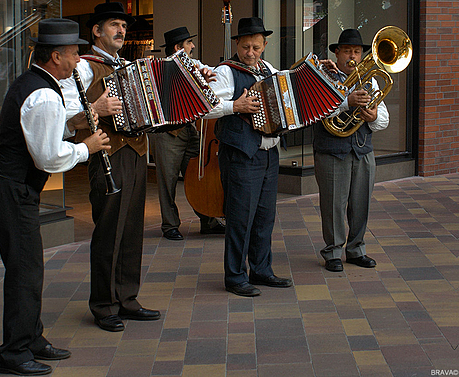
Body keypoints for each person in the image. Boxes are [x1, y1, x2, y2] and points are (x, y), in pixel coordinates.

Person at [0, 18, 110, 375]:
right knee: (25, 272)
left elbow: (46, 130)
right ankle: (14, 353)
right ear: (56, 56)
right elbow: (49, 158)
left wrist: (76, 123)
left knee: (29, 269)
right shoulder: (43, 94)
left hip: (13, 188)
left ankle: (31, 338)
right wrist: (88, 147)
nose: (77, 61)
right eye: (73, 54)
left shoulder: (38, 85)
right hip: (13, 190)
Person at [61, 2, 161, 333]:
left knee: (132, 228)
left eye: (123, 26)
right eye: (114, 25)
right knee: (108, 230)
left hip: (135, 152)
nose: (121, 31)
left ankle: (127, 298)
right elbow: (67, 120)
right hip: (105, 154)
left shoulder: (130, 65)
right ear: (97, 31)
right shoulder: (83, 68)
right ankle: (103, 304)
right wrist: (96, 107)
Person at [205, 17, 293, 297]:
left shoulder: (271, 71)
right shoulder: (226, 72)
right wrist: (235, 106)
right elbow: (205, 106)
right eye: (245, 47)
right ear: (237, 45)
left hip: (269, 154)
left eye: (256, 47)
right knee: (240, 217)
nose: (251, 53)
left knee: (265, 217)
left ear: (265, 45)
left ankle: (262, 270)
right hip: (241, 154)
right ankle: (234, 276)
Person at [313, 29, 389, 272]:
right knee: (333, 204)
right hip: (332, 151)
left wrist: (374, 115)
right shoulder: (323, 76)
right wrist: (348, 102)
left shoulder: (370, 79)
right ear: (337, 53)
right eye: (347, 51)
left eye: (356, 51)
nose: (352, 56)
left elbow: (383, 119)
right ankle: (333, 251)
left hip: (363, 150)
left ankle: (356, 249)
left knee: (361, 203)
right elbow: (318, 111)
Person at [149, 26, 225, 241]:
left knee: (197, 176)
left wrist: (209, 76)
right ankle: (169, 225)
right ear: (178, 47)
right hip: (167, 133)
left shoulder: (195, 65)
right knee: (168, 180)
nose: (192, 46)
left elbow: (215, 74)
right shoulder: (161, 70)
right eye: (189, 43)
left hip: (192, 130)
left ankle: (208, 220)